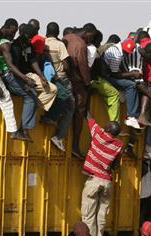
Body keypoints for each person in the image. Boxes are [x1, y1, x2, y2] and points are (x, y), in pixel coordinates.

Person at [81, 118, 124, 236]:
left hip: (94, 180)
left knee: (88, 216)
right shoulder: (119, 145)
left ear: (109, 129)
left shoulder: (99, 135)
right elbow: (115, 166)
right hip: (107, 182)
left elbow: (88, 117)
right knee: (101, 217)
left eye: (107, 125)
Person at [0, 22, 38, 141]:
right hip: (8, 76)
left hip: (3, 75)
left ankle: (24, 129)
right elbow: (10, 65)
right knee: (31, 97)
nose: (14, 35)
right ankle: (23, 130)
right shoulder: (6, 45)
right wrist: (26, 79)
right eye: (13, 32)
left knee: (32, 93)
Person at [64, 24, 96, 159]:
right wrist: (88, 82)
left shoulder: (67, 37)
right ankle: (75, 145)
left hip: (63, 77)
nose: (91, 40)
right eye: (91, 36)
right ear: (87, 32)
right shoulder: (81, 44)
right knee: (81, 108)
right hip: (75, 79)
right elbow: (83, 66)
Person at [45, 21, 76, 151]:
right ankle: (59, 136)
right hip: (60, 78)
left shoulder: (44, 43)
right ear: (58, 33)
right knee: (71, 106)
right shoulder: (59, 45)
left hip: (47, 77)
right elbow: (66, 64)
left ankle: (51, 117)